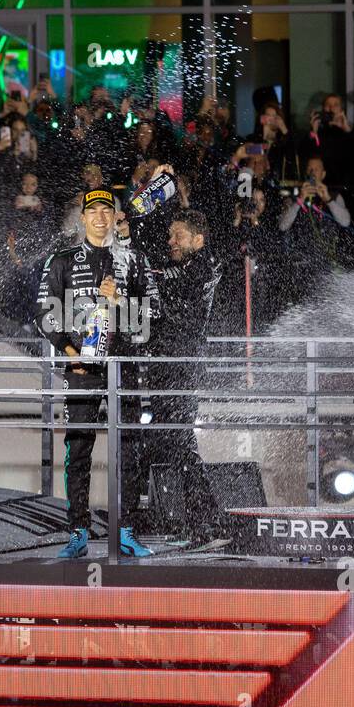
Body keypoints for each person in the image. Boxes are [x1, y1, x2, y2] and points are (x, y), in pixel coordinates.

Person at [35, 187, 160, 559]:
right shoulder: (62, 260)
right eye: (94, 211)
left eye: (108, 210)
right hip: (82, 369)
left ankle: (126, 530)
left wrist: (120, 301)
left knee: (130, 449)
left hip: (123, 369)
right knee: (78, 448)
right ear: (84, 217)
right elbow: (44, 314)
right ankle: (77, 531)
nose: (101, 217)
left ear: (115, 216)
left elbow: (155, 317)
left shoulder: (134, 260)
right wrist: (71, 352)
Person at [144, 208, 226, 545]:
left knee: (181, 442)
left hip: (184, 365)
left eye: (178, 235)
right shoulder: (180, 267)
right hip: (167, 363)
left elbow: (168, 282)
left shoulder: (205, 265)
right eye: (170, 235)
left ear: (198, 239)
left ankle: (210, 523)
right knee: (169, 443)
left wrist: (143, 273)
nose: (171, 241)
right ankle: (191, 523)